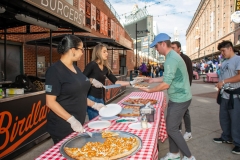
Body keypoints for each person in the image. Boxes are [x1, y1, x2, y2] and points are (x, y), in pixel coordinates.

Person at [141, 33, 195, 160]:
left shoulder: (171, 59)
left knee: (171, 129)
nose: (156, 49)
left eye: (156, 46)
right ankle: (174, 153)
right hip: (178, 97)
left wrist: (150, 91)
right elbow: (168, 78)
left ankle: (189, 156)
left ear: (163, 44)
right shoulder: (172, 56)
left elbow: (166, 84)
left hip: (180, 98)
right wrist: (152, 81)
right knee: (172, 127)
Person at [45, 35, 105, 144]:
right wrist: (71, 120)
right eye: (81, 49)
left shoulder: (76, 68)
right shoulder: (54, 71)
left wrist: (94, 105)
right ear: (73, 50)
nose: (82, 53)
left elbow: (78, 95)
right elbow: (50, 102)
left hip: (78, 123)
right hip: (62, 126)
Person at [83, 43, 138, 120]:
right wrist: (91, 80)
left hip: (101, 98)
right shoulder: (92, 65)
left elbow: (116, 82)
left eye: (107, 51)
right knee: (94, 121)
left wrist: (131, 83)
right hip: (91, 98)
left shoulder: (106, 68)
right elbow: (81, 79)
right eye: (104, 52)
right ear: (97, 53)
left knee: (101, 120)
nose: (107, 53)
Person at [214, 40, 240, 155]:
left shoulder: (238, 59)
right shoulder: (224, 62)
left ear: (230, 48)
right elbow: (221, 77)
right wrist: (218, 91)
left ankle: (238, 143)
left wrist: (224, 82)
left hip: (234, 95)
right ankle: (226, 136)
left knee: (236, 121)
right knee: (223, 118)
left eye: (223, 51)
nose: (222, 53)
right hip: (224, 94)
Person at [171, 41, 193, 141]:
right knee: (178, 111)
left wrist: (185, 88)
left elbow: (189, 74)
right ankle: (179, 130)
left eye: (174, 47)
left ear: (179, 48)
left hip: (183, 90)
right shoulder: (174, 59)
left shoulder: (185, 59)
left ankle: (188, 132)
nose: (172, 49)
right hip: (176, 90)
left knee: (185, 111)